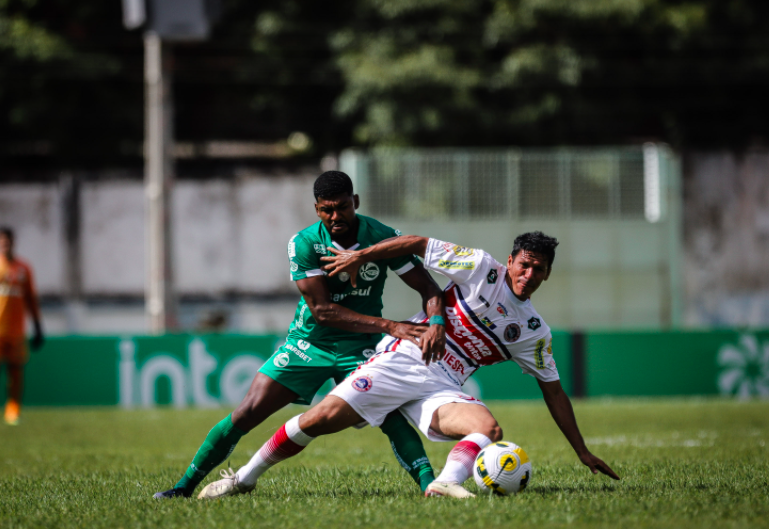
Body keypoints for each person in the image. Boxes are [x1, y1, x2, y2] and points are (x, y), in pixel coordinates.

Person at [197, 231, 619, 499]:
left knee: (488, 429)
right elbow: (418, 244)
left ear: (546, 276)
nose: (528, 273)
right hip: (402, 359)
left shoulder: (532, 331)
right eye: (524, 264)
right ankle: (244, 479)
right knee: (319, 419)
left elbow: (554, 391)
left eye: (538, 270)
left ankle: (446, 483)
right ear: (510, 261)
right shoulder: (481, 269)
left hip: (443, 384)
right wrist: (363, 256)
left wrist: (581, 450)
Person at [155, 171, 446, 498]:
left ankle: (430, 489)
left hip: (360, 346)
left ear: (356, 202)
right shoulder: (305, 242)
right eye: (327, 210)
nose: (335, 217)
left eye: (343, 207)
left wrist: (436, 322)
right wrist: (391, 326)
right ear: (317, 209)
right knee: (247, 412)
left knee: (390, 416)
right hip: (309, 343)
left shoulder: (382, 237)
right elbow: (323, 311)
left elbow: (429, 287)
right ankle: (183, 489)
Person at [0, 227, 44, 425]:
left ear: (12, 243)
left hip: (16, 331)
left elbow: (31, 300)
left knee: (15, 370)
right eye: (1, 242)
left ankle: (13, 409)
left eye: (7, 242)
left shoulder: (23, 269)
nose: (4, 246)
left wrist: (37, 327)